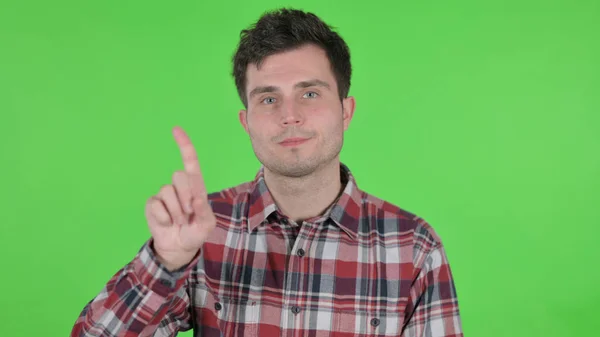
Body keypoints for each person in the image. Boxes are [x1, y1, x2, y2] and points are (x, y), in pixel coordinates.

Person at [71, 8, 463, 337]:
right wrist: (164, 262)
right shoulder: (202, 229)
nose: (289, 115)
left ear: (346, 111)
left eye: (310, 93)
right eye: (269, 98)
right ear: (246, 121)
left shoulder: (414, 248)